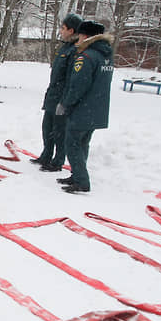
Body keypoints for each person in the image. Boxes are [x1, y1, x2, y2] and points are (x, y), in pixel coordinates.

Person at [55, 20, 114, 194]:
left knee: (72, 142)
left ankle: (81, 180)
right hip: (97, 108)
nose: (77, 39)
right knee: (82, 144)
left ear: (86, 36)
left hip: (83, 107)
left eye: (80, 35)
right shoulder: (105, 56)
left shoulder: (86, 57)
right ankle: (76, 175)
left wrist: (66, 103)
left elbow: (78, 85)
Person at [31, 13, 82, 172]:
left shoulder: (75, 50)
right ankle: (46, 155)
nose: (60, 31)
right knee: (47, 127)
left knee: (59, 131)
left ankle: (58, 161)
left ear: (71, 30)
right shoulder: (65, 47)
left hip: (62, 96)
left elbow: (71, 78)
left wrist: (65, 100)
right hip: (53, 94)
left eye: (63, 28)